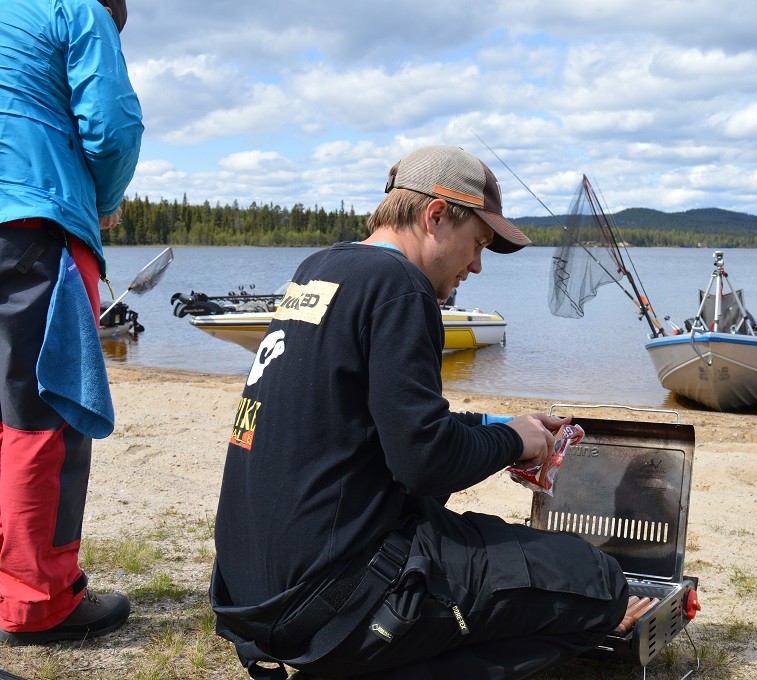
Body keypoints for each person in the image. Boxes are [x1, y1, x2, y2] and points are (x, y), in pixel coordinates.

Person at [211, 145, 629, 679]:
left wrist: (498, 428)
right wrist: (514, 444)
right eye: (477, 243)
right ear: (434, 217)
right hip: (335, 601)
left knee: (473, 538)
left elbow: (377, 428)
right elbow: (423, 466)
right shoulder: (401, 287)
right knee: (601, 584)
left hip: (255, 596)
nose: (477, 265)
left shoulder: (320, 268)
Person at [0, 0, 143, 645]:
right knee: (44, 413)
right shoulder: (78, 7)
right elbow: (112, 126)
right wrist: (104, 202)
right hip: (31, 227)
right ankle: (38, 602)